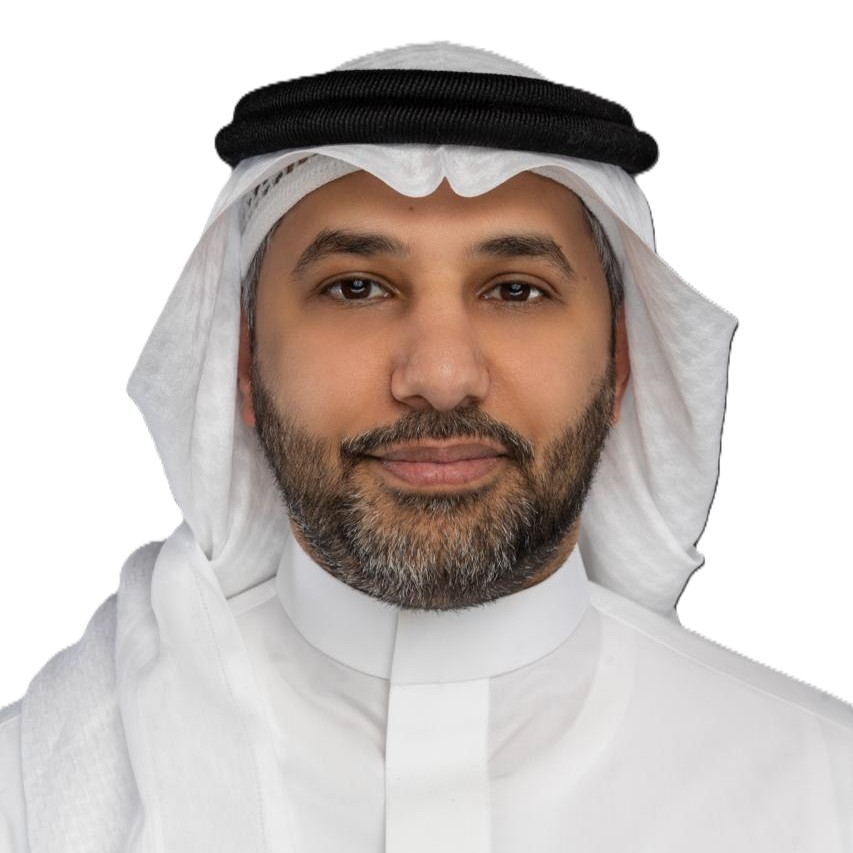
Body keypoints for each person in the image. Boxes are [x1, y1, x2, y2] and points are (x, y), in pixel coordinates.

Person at [1, 41, 851, 853]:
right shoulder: (27, 794)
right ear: (240, 360)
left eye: (515, 290)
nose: (441, 377)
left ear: (622, 361)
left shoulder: (822, 793)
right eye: (355, 287)